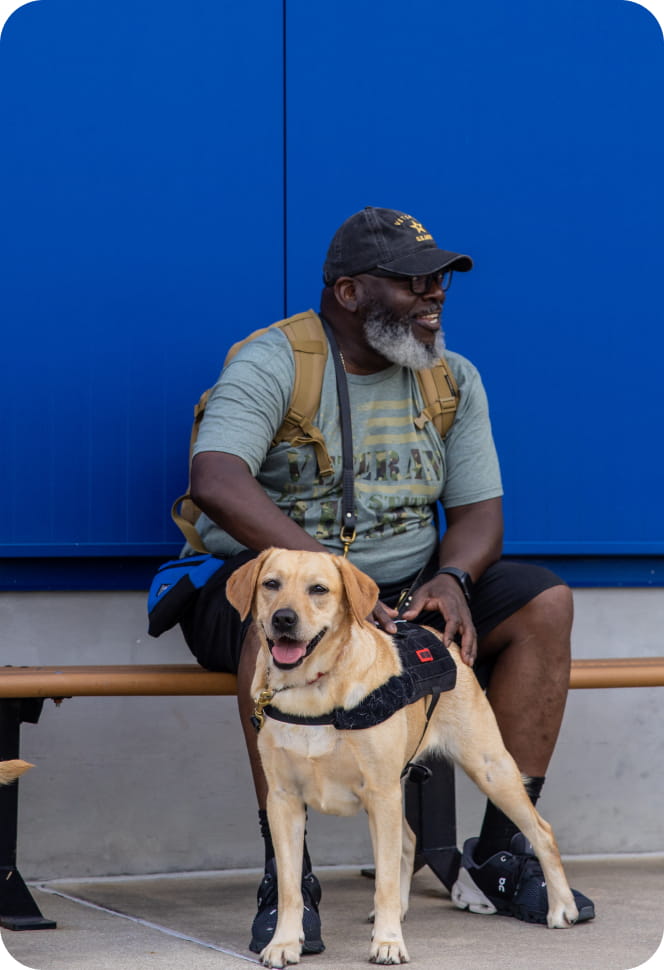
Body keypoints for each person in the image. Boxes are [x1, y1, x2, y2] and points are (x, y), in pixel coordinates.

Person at [178, 206, 595, 953]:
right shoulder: (276, 361)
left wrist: (456, 578)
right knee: (275, 626)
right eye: (413, 281)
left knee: (544, 602)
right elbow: (215, 478)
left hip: (395, 593)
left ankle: (505, 854)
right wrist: (325, 584)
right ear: (348, 293)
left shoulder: (451, 378)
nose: (434, 293)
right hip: (258, 584)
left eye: (439, 279)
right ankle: (289, 882)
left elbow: (480, 516)